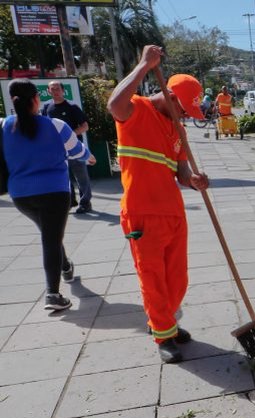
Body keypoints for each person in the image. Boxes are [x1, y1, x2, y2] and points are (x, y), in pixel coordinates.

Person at [107, 45, 209, 363]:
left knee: (177, 278)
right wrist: (142, 67)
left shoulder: (177, 130)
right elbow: (113, 104)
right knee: (152, 278)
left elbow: (181, 173)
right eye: (183, 110)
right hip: (142, 214)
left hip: (174, 213)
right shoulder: (135, 110)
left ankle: (168, 324)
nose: (184, 117)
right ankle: (163, 333)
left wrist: (194, 180)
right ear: (170, 95)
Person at [2, 78, 93, 311]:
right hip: (54, 192)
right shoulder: (56, 126)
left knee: (49, 233)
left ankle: (65, 266)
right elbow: (76, 151)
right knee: (50, 238)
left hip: (21, 196)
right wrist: (89, 157)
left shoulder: (4, 126)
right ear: (36, 99)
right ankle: (53, 293)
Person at [43, 80, 96, 214]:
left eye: (57, 89)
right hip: (57, 151)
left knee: (81, 177)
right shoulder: (46, 107)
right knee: (63, 178)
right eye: (52, 89)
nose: (55, 91)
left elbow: (85, 126)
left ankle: (85, 203)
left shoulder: (72, 107)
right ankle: (70, 202)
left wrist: (69, 135)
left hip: (74, 149)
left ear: (63, 90)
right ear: (48, 91)